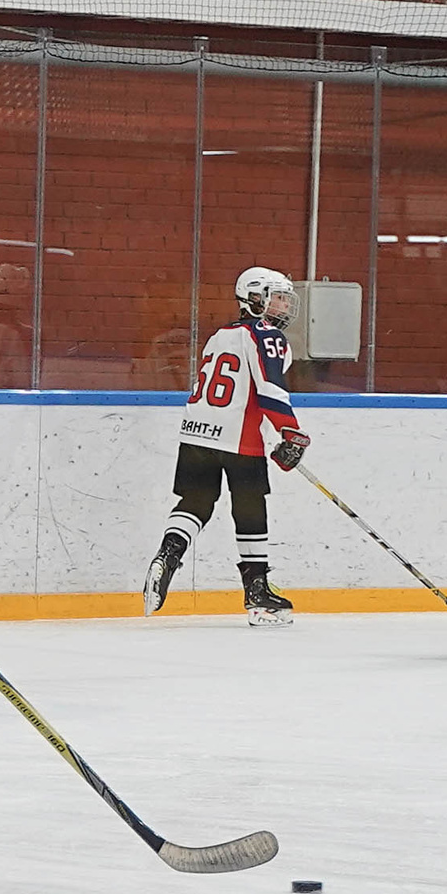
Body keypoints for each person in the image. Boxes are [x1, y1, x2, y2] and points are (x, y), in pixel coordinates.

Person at [142, 266, 308, 626]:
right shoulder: (267, 336)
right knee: (250, 506)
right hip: (238, 437)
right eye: (276, 297)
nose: (283, 305)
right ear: (254, 298)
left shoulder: (220, 335)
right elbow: (270, 388)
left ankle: (169, 553)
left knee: (197, 501)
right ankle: (257, 591)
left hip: (196, 432)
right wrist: (290, 432)